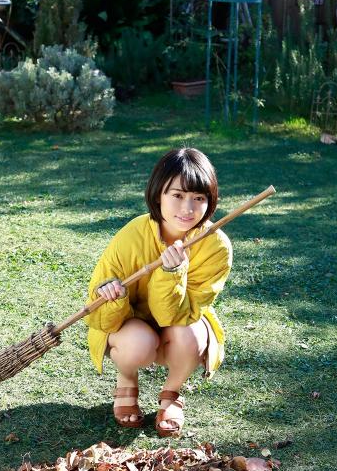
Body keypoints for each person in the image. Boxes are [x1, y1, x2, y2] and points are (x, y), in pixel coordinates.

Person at [85, 147, 232, 437]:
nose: (187, 209)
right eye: (177, 195)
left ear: (210, 201)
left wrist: (171, 273)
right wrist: (112, 296)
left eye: (198, 198)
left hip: (179, 325)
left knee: (190, 335)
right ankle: (126, 378)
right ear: (157, 195)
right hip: (130, 326)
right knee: (136, 342)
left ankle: (172, 393)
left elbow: (174, 316)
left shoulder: (216, 246)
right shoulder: (132, 235)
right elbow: (98, 318)